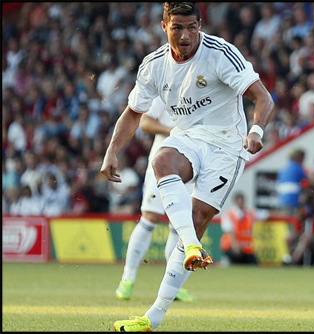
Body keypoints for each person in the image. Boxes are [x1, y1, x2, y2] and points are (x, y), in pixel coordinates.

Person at [100, 3, 274, 332]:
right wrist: (112, 151)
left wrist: (256, 131)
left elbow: (263, 97)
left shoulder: (221, 53)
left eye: (192, 27)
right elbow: (134, 112)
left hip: (227, 145)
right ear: (164, 25)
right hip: (189, 136)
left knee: (195, 219)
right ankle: (190, 244)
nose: (185, 35)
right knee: (162, 159)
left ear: (200, 25)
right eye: (177, 27)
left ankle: (153, 318)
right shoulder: (153, 66)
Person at [115, 96, 197, 303]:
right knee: (149, 218)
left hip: (192, 164)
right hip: (162, 161)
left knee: (179, 226)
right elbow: (145, 122)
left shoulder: (203, 88)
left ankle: (174, 285)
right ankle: (128, 278)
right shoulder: (167, 88)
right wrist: (175, 131)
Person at [220, 192, 269, 265]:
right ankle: (227, 260)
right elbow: (230, 231)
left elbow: (265, 214)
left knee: (253, 263)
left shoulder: (250, 213)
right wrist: (235, 246)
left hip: (246, 248)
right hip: (231, 246)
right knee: (235, 259)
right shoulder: (229, 214)